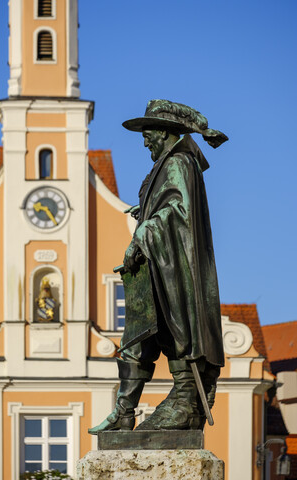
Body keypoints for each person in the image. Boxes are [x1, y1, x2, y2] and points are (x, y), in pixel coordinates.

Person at [89, 99, 228, 434]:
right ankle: (125, 412)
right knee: (140, 333)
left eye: (148, 132)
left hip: (172, 269)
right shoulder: (170, 164)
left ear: (166, 132)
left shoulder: (178, 162)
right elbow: (171, 205)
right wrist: (145, 213)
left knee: (169, 328)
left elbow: (179, 209)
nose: (145, 139)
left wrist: (143, 235)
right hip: (161, 263)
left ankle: (184, 399)